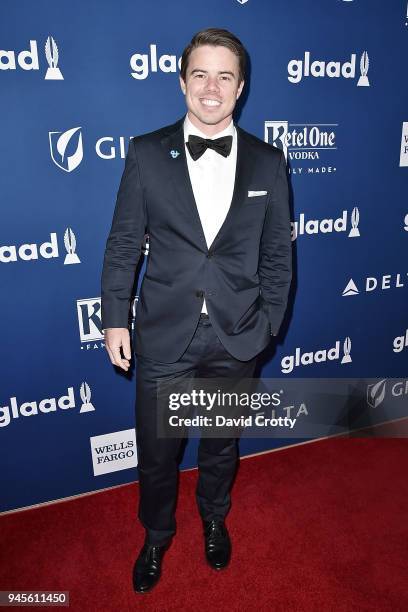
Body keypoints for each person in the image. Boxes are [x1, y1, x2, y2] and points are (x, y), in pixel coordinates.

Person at [101, 27, 292, 593]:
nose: (212, 87)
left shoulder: (268, 161)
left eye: (225, 76)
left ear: (241, 88)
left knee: (220, 445)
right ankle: (156, 536)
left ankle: (214, 517)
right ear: (183, 81)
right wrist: (115, 318)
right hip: (164, 336)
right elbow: (122, 244)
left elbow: (278, 255)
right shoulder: (144, 154)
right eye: (201, 74)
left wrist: (268, 326)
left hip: (237, 335)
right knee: (157, 455)